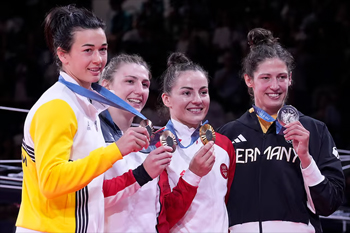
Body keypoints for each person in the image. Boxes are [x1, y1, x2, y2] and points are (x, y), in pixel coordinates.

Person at [15, 5, 151, 232]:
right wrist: (116, 150)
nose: (98, 59)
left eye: (103, 49)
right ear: (63, 55)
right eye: (88, 50)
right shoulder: (58, 106)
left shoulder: (83, 102)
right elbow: (51, 181)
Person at [218, 28, 345, 233]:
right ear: (249, 80)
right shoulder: (227, 135)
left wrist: (305, 158)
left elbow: (330, 203)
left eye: (281, 77)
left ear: (291, 78)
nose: (275, 86)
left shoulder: (315, 130)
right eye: (266, 78)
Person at [99, 54, 215, 232]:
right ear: (106, 85)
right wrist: (142, 173)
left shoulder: (152, 140)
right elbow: (88, 198)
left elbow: (163, 213)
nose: (140, 90)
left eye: (145, 84)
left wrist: (193, 174)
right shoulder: (91, 133)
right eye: (130, 81)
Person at [160, 52, 236, 232]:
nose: (197, 100)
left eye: (203, 92)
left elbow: (225, 206)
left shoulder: (224, 145)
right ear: (167, 99)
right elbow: (161, 218)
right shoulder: (155, 147)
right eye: (187, 92)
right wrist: (193, 174)